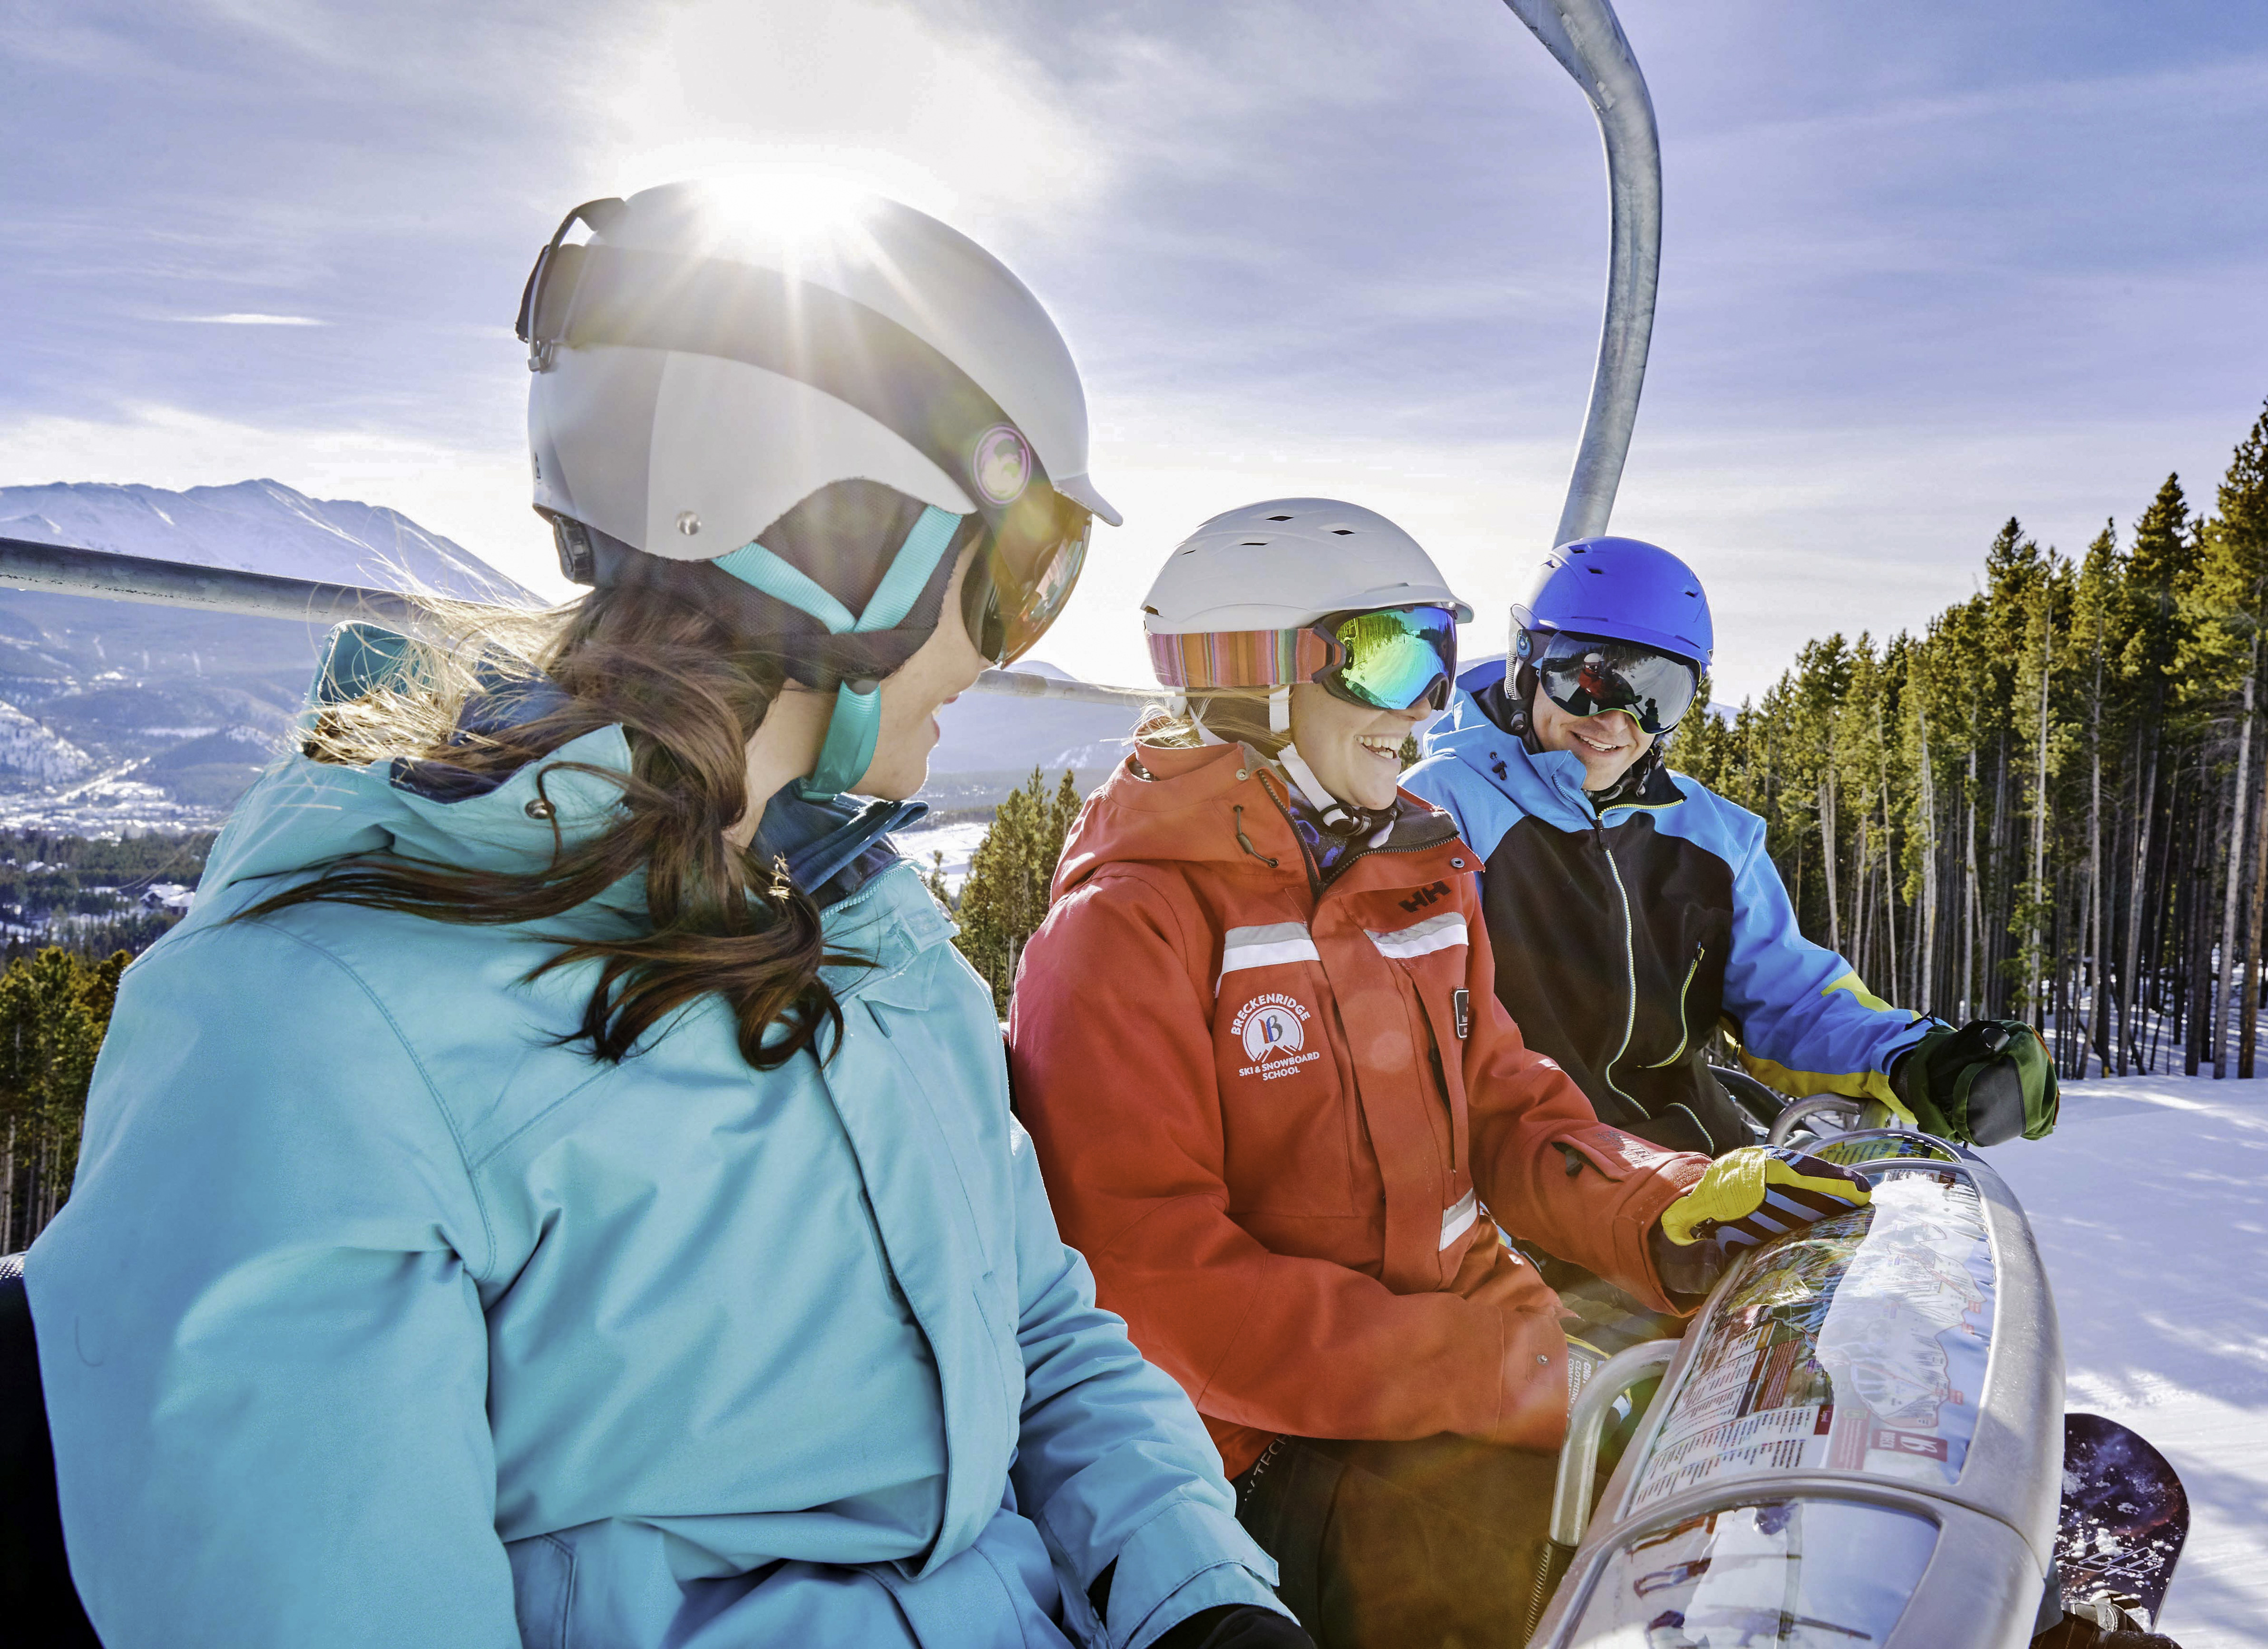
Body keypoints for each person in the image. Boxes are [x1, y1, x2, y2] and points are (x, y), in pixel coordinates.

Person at [24, 183, 1303, 1649]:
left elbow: (1045, 1337)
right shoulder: (316, 1036)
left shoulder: (883, 945)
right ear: (840, 538)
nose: (1013, 646)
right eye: (1020, 574)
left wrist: (1202, 1599)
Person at [1006, 500, 1873, 1649]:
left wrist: (1665, 1207)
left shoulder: (1413, 873)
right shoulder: (1126, 929)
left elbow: (1506, 1104)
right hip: (1274, 1451)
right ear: (1252, 671)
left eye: (1439, 655)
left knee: (1751, 1511)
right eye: (1391, 655)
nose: (1427, 704)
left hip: (1470, 1383)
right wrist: (1497, 1369)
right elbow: (1150, 1283)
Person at [1405, 536, 2059, 1160]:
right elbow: (1421, 1033)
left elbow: (1790, 1002)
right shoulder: (1442, 809)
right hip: (1524, 1178)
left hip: (1697, 1173)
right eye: (1589, 678)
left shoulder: (1711, 835)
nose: (1616, 721)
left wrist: (1921, 1058)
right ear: (1529, 661)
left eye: (1657, 694)